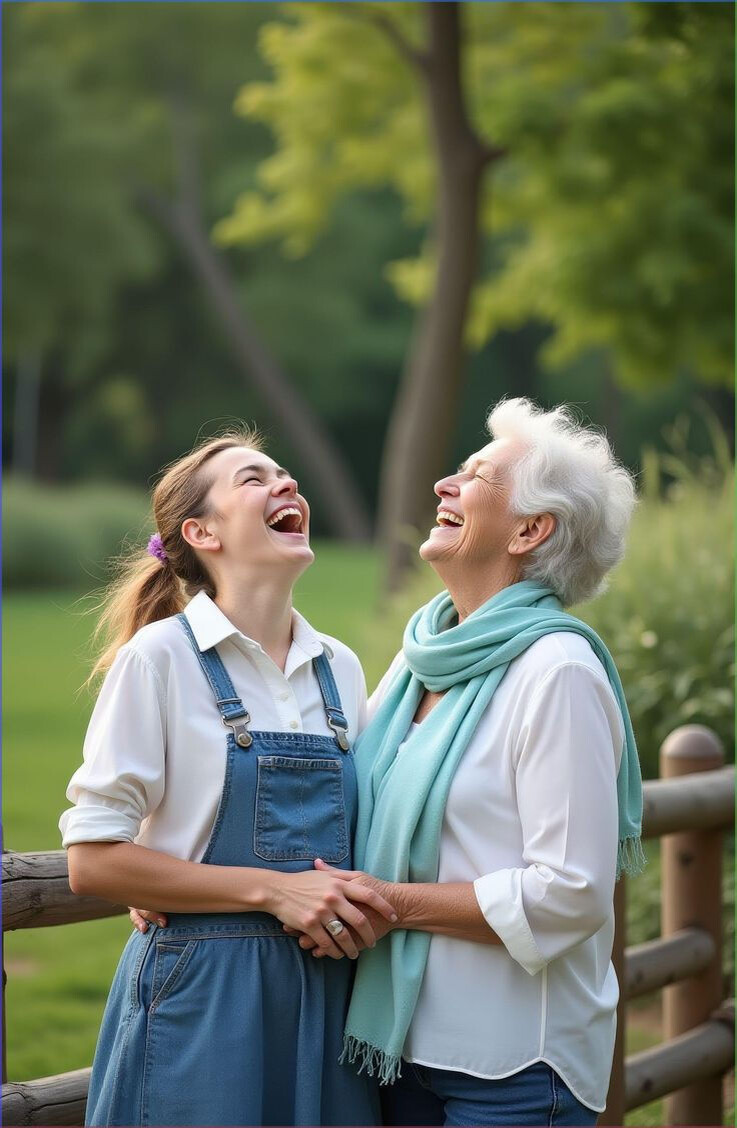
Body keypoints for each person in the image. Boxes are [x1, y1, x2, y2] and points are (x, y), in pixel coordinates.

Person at [280, 398, 644, 1126]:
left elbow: (569, 892)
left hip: (512, 1067)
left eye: (474, 476)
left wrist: (389, 905)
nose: (445, 486)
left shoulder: (557, 670)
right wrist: (184, 874)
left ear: (529, 530)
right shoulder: (423, 657)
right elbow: (326, 788)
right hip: (396, 1053)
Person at [59, 428, 397, 1127]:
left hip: (329, 996)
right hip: (201, 998)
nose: (285, 484)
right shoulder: (159, 659)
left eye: (285, 474)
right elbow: (92, 861)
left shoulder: (340, 667)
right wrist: (271, 889)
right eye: (253, 478)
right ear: (201, 532)